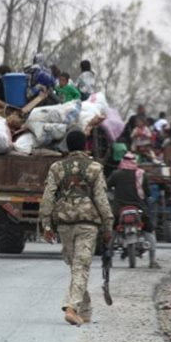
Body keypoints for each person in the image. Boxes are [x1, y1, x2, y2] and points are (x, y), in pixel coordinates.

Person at [40, 130, 114, 326]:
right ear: (86, 146)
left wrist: (46, 224)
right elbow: (101, 199)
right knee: (80, 266)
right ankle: (73, 308)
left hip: (64, 223)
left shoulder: (57, 168)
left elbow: (48, 197)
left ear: (67, 146)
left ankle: (83, 309)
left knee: (77, 265)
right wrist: (108, 226)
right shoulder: (95, 168)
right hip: (88, 223)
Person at [107, 152, 161, 269]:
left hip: (119, 210)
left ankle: (108, 259)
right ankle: (152, 261)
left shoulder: (116, 174)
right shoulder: (141, 174)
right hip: (139, 209)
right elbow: (147, 193)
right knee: (149, 231)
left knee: (112, 231)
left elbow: (107, 186)